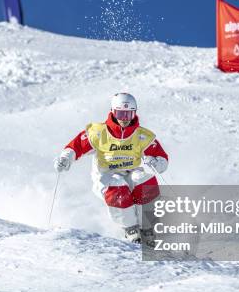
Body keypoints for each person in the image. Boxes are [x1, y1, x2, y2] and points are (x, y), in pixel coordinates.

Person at [54, 93, 169, 243]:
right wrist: (65, 158)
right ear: (113, 112)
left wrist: (156, 163)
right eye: (121, 114)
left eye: (129, 114)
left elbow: (162, 159)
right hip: (105, 176)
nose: (124, 119)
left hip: (130, 173)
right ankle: (130, 230)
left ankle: (148, 228)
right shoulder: (98, 133)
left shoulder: (141, 136)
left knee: (142, 178)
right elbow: (75, 147)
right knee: (117, 183)